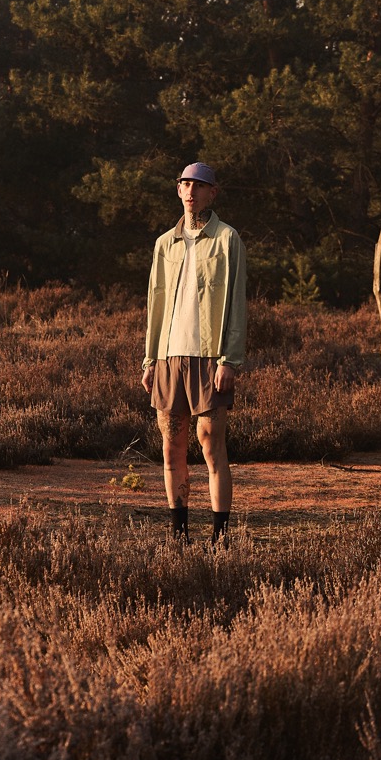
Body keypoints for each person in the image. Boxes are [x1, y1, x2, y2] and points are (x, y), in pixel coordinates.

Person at [142, 162, 247, 544]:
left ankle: (220, 538)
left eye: (199, 186)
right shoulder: (164, 244)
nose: (191, 191)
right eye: (185, 184)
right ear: (178, 190)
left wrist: (229, 360)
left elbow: (236, 303)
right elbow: (154, 303)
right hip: (168, 357)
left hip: (209, 358)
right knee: (172, 448)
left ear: (212, 193)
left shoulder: (227, 239)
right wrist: (150, 360)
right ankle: (179, 534)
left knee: (211, 446)